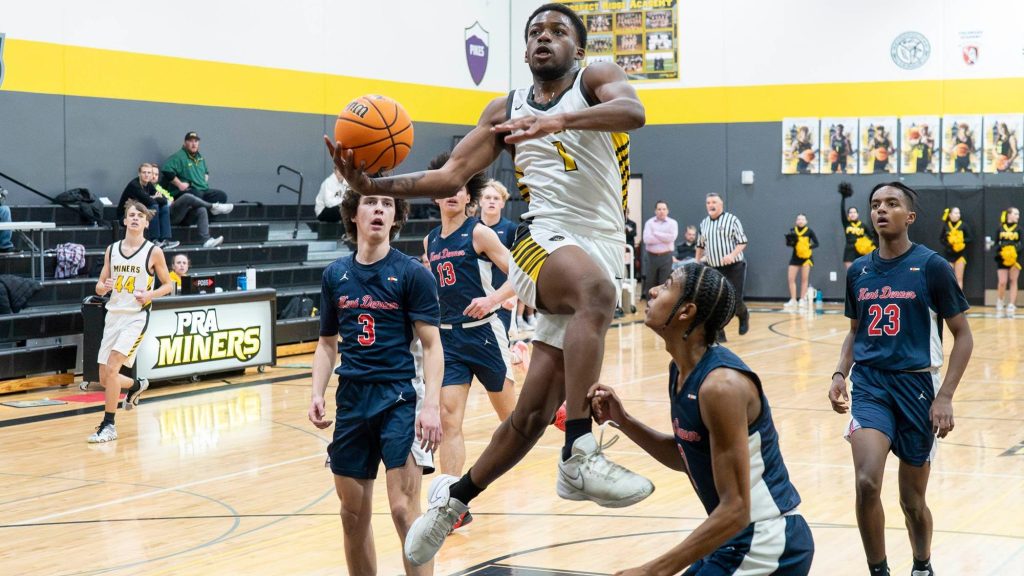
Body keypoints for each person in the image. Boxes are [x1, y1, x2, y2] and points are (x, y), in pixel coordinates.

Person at [326, 3, 654, 565]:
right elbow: (449, 176)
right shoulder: (505, 109)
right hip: (543, 239)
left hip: (597, 246)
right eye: (534, 32)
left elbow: (634, 112)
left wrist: (560, 122)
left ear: (578, 49)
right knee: (596, 294)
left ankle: (452, 501)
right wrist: (371, 183)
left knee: (528, 418)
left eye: (557, 31)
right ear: (524, 50)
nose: (543, 38)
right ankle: (579, 450)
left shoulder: (595, 81)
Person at [591, 263, 814, 575]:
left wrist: (652, 570)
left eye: (666, 286)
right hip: (732, 537)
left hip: (765, 541)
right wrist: (623, 421)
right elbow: (687, 455)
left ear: (686, 311)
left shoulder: (721, 386)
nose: (652, 291)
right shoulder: (680, 371)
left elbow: (737, 509)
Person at [828, 182, 973, 576]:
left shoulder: (932, 267)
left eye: (892, 203)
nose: (881, 209)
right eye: (876, 204)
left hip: (918, 388)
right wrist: (840, 372)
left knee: (912, 501)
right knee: (866, 482)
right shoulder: (859, 271)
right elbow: (854, 332)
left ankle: (922, 564)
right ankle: (879, 571)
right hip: (871, 386)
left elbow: (963, 336)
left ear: (909, 216)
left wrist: (945, 396)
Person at [307, 188, 443, 576]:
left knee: (403, 510)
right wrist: (317, 392)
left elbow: (433, 345)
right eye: (370, 202)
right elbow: (326, 344)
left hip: (400, 397)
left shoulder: (412, 273)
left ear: (396, 216)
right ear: (354, 214)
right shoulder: (335, 275)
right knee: (352, 515)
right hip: (352, 400)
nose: (379, 209)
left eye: (387, 204)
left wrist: (431, 405)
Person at [423, 154, 517, 528]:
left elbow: (521, 275)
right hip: (449, 339)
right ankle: (453, 505)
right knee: (449, 420)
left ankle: (554, 415)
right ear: (436, 195)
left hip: (485, 335)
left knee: (514, 422)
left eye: (458, 188)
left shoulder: (479, 233)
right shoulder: (430, 241)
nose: (451, 193)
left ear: (468, 196)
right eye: (445, 187)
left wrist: (493, 299)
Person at [88, 199, 174, 443]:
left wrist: (150, 295)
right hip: (113, 315)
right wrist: (103, 287)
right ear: (125, 220)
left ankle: (108, 425)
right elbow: (99, 285)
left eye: (140, 216)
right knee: (104, 379)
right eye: (132, 215)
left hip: (136, 317)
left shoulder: (153, 251)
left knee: (113, 369)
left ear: (146, 223)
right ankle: (136, 386)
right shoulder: (112, 249)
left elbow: (168, 285)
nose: (136, 218)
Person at [696, 193, 749, 339]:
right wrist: (697, 261)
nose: (710, 205)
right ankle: (719, 332)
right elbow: (700, 245)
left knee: (734, 300)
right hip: (714, 267)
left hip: (734, 266)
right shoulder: (704, 223)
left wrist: (732, 255)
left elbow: (742, 242)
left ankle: (743, 314)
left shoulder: (732, 220)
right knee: (716, 301)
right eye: (708, 202)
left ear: (721, 205)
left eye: (714, 202)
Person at [118, 163, 179, 249]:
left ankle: (165, 240)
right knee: (154, 207)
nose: (146, 175)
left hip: (140, 212)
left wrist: (153, 198)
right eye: (144, 172)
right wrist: (153, 197)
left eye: (149, 173)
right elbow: (151, 202)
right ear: (139, 174)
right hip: (126, 216)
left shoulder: (149, 184)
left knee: (164, 207)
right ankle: (154, 240)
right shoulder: (134, 185)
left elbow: (164, 201)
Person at [161, 132, 229, 204]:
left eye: (196, 141)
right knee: (197, 195)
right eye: (191, 141)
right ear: (185, 143)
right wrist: (180, 184)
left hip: (203, 190)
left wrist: (202, 182)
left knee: (222, 196)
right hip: (187, 191)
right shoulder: (179, 157)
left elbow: (206, 172)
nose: (194, 144)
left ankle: (207, 207)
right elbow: (166, 170)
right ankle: (206, 206)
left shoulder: (200, 158)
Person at [642, 200, 678, 299]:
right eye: (659, 209)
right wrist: (664, 238)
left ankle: (661, 305)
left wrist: (656, 233)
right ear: (655, 211)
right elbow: (647, 239)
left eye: (664, 209)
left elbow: (671, 238)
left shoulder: (673, 223)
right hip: (651, 257)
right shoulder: (649, 223)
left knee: (664, 283)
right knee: (650, 282)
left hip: (666, 257)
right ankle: (650, 305)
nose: (661, 211)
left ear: (667, 211)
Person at [784, 213, 819, 311]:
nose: (800, 221)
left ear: (806, 221)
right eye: (799, 219)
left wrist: (808, 247)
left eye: (802, 219)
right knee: (791, 279)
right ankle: (793, 299)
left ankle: (802, 299)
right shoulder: (793, 230)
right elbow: (789, 244)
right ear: (796, 221)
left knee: (804, 279)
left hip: (806, 258)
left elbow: (817, 243)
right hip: (795, 258)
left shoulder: (809, 231)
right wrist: (790, 242)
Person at [840, 182, 876, 269]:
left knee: (860, 273)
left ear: (858, 214)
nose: (852, 214)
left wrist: (867, 244)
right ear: (848, 215)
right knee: (850, 273)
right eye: (850, 212)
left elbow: (872, 236)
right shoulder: (846, 223)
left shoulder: (863, 225)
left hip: (860, 250)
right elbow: (842, 211)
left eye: (854, 212)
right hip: (849, 250)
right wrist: (843, 198)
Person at [994, 207, 1021, 318]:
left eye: (1018, 214)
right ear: (1009, 215)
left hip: (1015, 259)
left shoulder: (1019, 229)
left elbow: (1022, 244)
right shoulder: (1000, 228)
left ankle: (1012, 304)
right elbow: (996, 243)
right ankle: (1000, 301)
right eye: (1016, 214)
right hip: (1002, 258)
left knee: (1013, 280)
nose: (1018, 216)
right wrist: (1002, 251)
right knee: (1002, 282)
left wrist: (1014, 251)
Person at [938, 207, 971, 290]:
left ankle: (958, 298)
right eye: (956, 213)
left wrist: (960, 241)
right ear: (950, 215)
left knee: (959, 278)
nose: (958, 215)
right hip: (949, 253)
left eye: (959, 213)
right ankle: (948, 296)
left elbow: (970, 238)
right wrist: (948, 244)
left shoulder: (963, 225)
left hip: (961, 254)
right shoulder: (946, 225)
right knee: (948, 278)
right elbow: (941, 239)